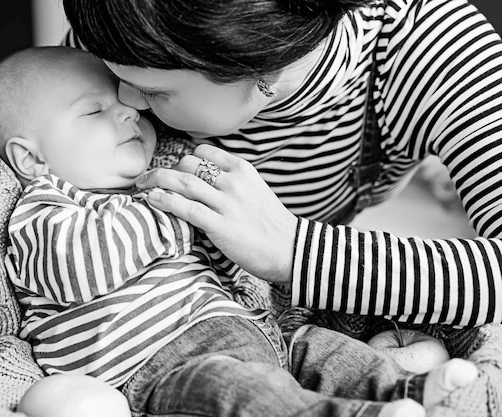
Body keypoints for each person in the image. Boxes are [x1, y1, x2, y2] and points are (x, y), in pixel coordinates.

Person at [0, 46, 477, 417]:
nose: (130, 106)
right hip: (163, 369)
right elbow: (78, 269)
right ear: (31, 158)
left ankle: (406, 394)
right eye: (94, 110)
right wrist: (172, 213)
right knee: (246, 394)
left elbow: (220, 269)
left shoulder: (154, 179)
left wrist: (227, 241)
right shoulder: (46, 208)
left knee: (329, 352)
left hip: (249, 332)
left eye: (140, 95)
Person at [56, 0, 502, 329]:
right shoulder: (125, 29)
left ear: (262, 71)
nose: (123, 99)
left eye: (152, 92)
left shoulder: (427, 48)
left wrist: (291, 250)